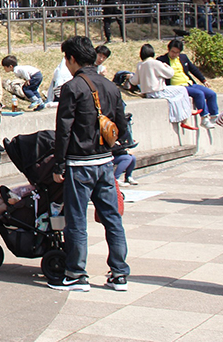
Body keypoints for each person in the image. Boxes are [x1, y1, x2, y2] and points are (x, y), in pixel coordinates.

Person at [51, 35, 129, 291]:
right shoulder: (110, 85)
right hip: (105, 162)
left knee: (76, 220)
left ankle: (76, 274)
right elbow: (121, 124)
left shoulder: (73, 87)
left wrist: (59, 165)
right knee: (112, 218)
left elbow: (63, 130)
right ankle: (119, 274)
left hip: (78, 164)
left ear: (72, 59)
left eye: (66, 59)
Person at [130, 43, 194, 130]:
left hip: (148, 93)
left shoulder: (140, 64)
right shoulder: (155, 63)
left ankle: (185, 116)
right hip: (158, 91)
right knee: (182, 90)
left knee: (175, 97)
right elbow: (170, 74)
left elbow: (135, 81)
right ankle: (186, 115)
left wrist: (129, 77)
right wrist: (166, 66)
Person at [157, 38, 218, 129]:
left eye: (177, 52)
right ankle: (204, 118)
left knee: (211, 94)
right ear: (168, 50)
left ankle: (214, 117)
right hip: (178, 87)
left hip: (189, 83)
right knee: (199, 94)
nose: (175, 54)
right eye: (173, 52)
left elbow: (193, 69)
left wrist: (203, 80)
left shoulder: (183, 57)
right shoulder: (161, 60)